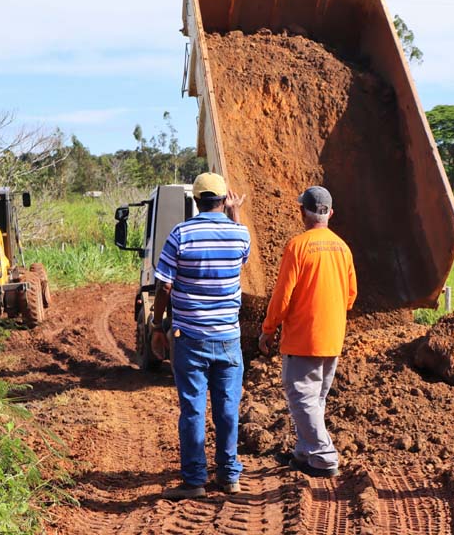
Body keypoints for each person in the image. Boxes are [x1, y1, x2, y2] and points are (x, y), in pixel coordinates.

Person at [152, 172, 250, 500]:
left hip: (189, 336)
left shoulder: (181, 234)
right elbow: (242, 258)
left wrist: (157, 325)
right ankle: (229, 476)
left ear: (196, 201)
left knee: (193, 408)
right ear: (223, 200)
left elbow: (164, 284)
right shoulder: (240, 235)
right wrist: (236, 215)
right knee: (227, 407)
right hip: (228, 337)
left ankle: (194, 482)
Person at [258, 186, 357, 478]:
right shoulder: (342, 247)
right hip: (332, 337)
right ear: (331, 213)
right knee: (316, 399)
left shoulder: (298, 246)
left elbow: (283, 296)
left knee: (301, 395)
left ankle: (324, 456)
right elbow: (351, 295)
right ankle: (304, 452)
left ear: (302, 211)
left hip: (304, 338)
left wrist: (269, 328)